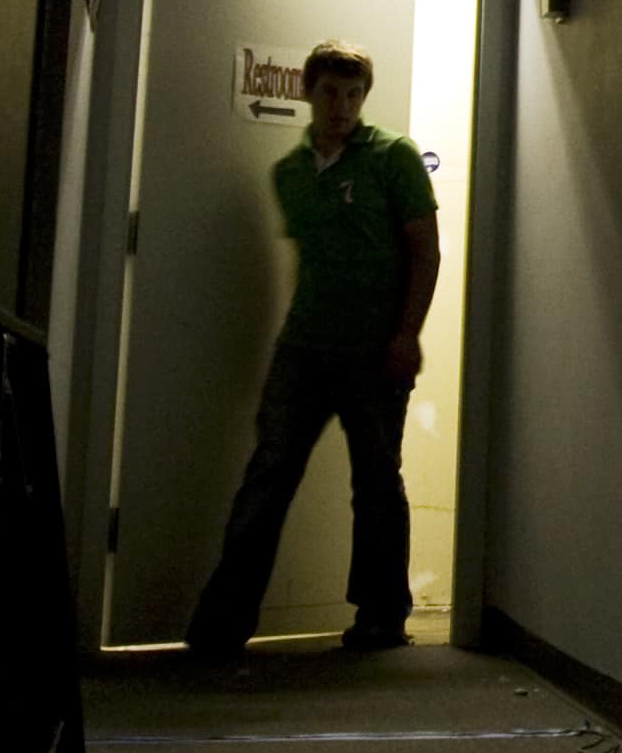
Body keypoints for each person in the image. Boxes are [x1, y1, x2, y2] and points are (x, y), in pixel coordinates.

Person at [184, 39, 442, 661]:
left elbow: (424, 251)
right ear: (309, 91)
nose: (342, 107)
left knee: (378, 482)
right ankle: (223, 622)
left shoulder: (394, 157)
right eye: (331, 92)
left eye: (354, 95)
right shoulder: (290, 175)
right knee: (266, 478)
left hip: (376, 352)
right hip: (303, 348)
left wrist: (407, 335)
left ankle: (381, 617)